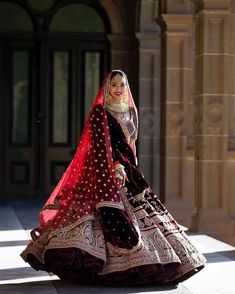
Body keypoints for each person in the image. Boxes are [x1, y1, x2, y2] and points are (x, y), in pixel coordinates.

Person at [21, 70, 206, 285]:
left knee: (144, 216)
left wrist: (133, 172)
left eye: (122, 85)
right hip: (108, 173)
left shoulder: (129, 111)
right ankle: (104, 266)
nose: (118, 89)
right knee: (107, 218)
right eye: (114, 84)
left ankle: (149, 262)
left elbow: (130, 146)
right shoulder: (101, 112)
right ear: (107, 88)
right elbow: (101, 146)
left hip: (129, 173)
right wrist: (116, 166)